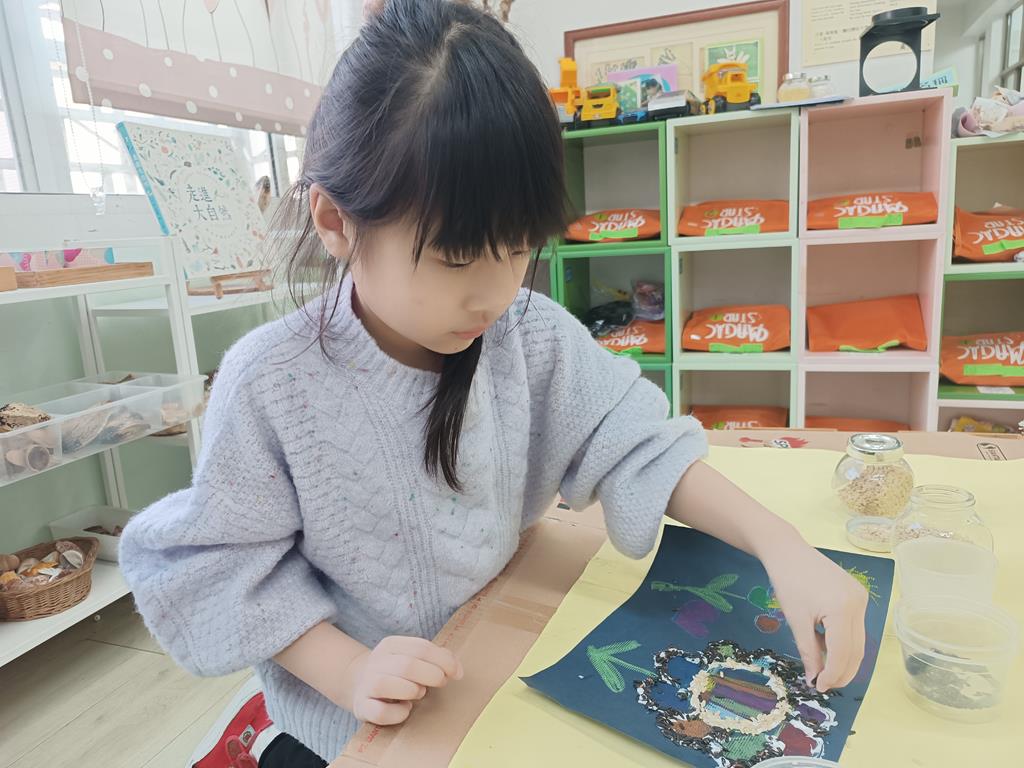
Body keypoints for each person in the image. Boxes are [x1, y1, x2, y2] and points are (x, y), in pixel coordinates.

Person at [119, 1, 868, 766]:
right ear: (336, 223)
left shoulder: (528, 334)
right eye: (455, 259)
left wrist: (782, 546)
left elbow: (640, 447)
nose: (495, 293)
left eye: (517, 248)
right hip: (357, 720)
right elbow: (221, 567)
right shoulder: (271, 382)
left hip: (494, 664)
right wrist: (349, 671)